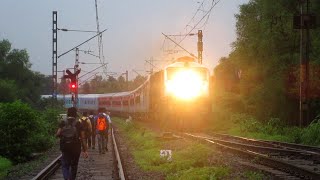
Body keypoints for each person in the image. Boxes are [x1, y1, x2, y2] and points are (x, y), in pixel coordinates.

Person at [56, 107, 88, 180]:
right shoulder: (79, 123)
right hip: (76, 147)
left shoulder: (63, 122)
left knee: (65, 165)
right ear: (75, 114)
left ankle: (66, 178)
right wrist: (85, 150)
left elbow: (58, 134)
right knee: (74, 165)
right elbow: (83, 138)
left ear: (68, 113)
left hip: (65, 147)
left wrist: (62, 136)